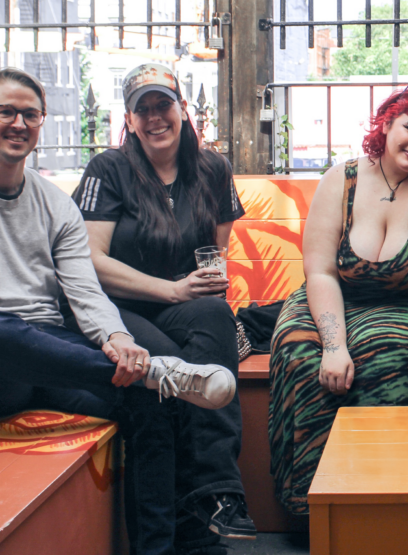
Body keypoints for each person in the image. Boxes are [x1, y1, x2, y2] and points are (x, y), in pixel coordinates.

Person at [0, 67, 236, 555]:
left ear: (42, 122)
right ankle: (159, 372)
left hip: (54, 354)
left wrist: (118, 342)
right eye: (5, 112)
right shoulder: (108, 170)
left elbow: (84, 289)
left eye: (29, 114)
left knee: (146, 400)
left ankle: (160, 547)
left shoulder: (55, 205)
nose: (17, 123)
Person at [268, 80, 408, 514]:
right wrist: (334, 345)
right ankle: (311, 509)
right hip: (331, 297)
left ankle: (386, 501)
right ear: (385, 123)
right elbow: (320, 270)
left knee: (390, 353)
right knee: (299, 356)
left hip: (404, 302)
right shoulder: (339, 179)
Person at [73, 63, 253, 553]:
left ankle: (215, 495)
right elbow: (90, 261)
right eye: (142, 109)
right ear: (129, 120)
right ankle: (159, 542)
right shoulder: (108, 170)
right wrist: (172, 290)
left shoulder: (213, 169)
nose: (155, 117)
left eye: (163, 105)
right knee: (160, 388)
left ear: (182, 111)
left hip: (188, 308)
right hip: (121, 310)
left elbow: (216, 258)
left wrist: (207, 284)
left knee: (215, 318)